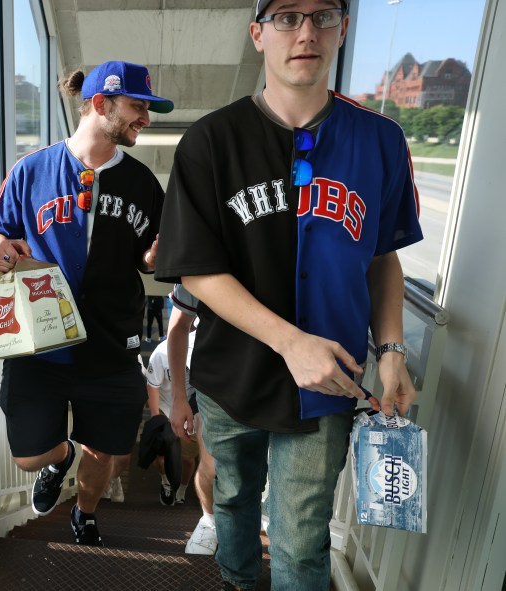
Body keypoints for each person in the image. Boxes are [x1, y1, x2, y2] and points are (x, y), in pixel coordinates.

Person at [154, 0, 422, 588]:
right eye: (287, 17)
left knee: (302, 543)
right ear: (258, 34)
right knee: (233, 503)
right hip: (232, 375)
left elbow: (382, 256)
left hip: (331, 382)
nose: (306, 32)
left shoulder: (381, 141)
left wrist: (393, 350)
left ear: (343, 30)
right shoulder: (209, 141)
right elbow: (195, 270)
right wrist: (290, 342)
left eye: (324, 15)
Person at [0, 60, 173, 547]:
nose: (145, 120)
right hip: (41, 341)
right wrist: (0, 250)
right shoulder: (32, 170)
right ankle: (57, 460)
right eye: (137, 107)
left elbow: (149, 259)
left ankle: (85, 514)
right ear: (99, 104)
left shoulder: (144, 185)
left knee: (106, 450)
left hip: (111, 341)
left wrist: (155, 256)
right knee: (28, 454)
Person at [167, 284, 218, 555]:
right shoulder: (201, 245)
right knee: (211, 466)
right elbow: (178, 325)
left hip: (281, 383)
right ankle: (209, 519)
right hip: (214, 384)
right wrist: (178, 397)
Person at [145, 325, 198, 506]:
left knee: (187, 458)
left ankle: (182, 489)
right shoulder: (160, 353)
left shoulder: (202, 350)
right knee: (160, 456)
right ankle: (166, 483)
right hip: (164, 408)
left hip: (190, 410)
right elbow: (152, 386)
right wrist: (155, 418)